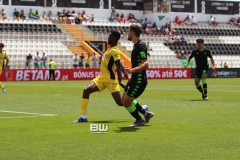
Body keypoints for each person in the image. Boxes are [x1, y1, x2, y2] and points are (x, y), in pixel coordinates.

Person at [74, 31, 151, 124]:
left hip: (110, 80)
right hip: (101, 78)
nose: (108, 37)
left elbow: (119, 66)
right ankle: (83, 117)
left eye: (110, 36)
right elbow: (120, 66)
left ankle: (142, 109)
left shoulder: (115, 50)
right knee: (86, 90)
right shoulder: (109, 50)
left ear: (114, 38)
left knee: (121, 102)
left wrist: (121, 80)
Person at [122, 24, 154, 126]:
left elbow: (146, 63)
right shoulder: (136, 46)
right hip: (134, 79)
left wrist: (132, 70)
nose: (127, 33)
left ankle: (139, 120)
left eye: (128, 31)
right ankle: (145, 113)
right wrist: (131, 76)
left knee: (127, 102)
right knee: (124, 100)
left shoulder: (140, 46)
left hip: (139, 81)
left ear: (132, 33)